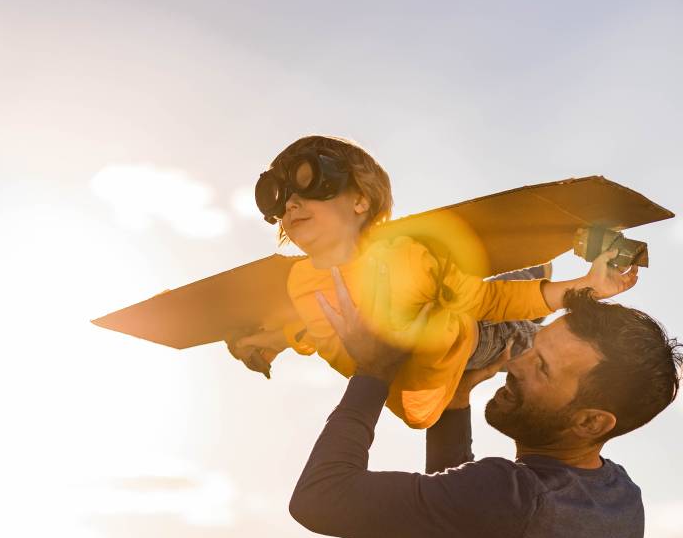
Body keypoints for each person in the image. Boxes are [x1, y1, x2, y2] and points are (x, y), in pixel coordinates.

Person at [288, 263, 682, 538]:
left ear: (591, 421)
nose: (514, 363)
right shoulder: (621, 501)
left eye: (541, 368)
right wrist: (455, 399)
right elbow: (464, 517)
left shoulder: (512, 500)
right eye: (532, 347)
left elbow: (319, 498)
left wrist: (372, 372)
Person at [229, 135, 639, 429]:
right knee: (527, 341)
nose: (292, 205)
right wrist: (288, 341)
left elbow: (489, 300)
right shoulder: (302, 283)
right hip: (462, 353)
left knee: (510, 302)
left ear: (360, 200)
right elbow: (334, 347)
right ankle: (542, 276)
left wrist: (586, 286)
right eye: (280, 200)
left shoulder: (405, 256)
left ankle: (550, 269)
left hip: (465, 321)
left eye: (307, 185)